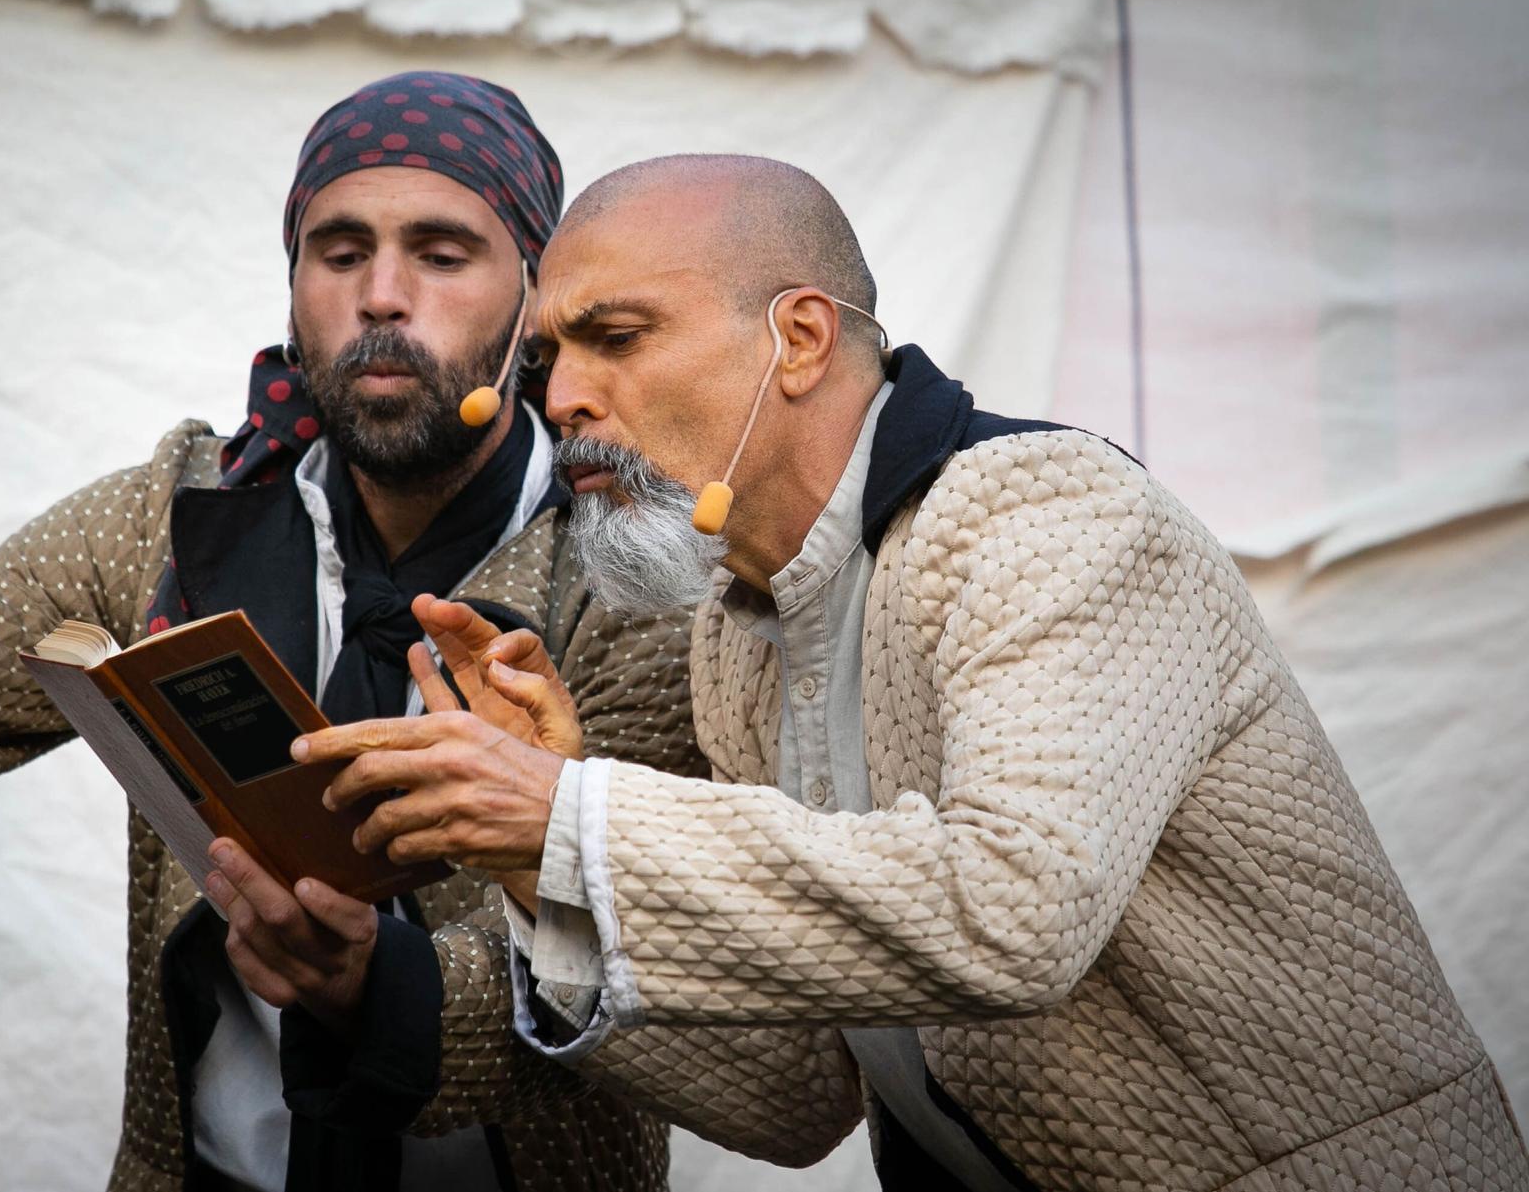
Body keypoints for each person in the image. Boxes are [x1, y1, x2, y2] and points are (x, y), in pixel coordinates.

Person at [0, 107, 861, 1192]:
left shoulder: (633, 552)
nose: (382, 294)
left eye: (442, 251)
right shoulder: (176, 511)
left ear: (534, 298)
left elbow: (654, 960)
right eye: (339, 250)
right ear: (293, 284)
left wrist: (376, 985)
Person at [297, 154, 1529, 1191]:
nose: (561, 397)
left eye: (615, 337)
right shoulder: (737, 623)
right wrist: (536, 869)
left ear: (797, 338)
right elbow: (794, 1098)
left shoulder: (1044, 514)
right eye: (549, 358)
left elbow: (1014, 907)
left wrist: (570, 817)